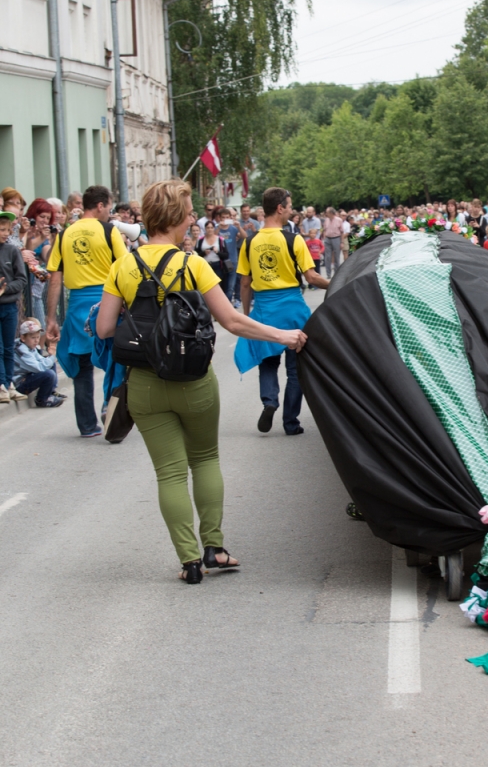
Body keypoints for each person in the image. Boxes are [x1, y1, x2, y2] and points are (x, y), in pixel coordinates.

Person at [95, 179, 307, 584]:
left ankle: (189, 561)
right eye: (189, 214)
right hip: (193, 380)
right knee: (205, 459)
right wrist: (283, 336)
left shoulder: (123, 265)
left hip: (143, 383)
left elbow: (105, 328)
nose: (193, 220)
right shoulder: (192, 264)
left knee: (169, 474)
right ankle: (215, 548)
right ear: (175, 218)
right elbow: (231, 320)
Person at [235, 187, 329, 435]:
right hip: (292, 308)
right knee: (295, 368)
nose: (291, 210)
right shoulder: (293, 239)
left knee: (267, 362)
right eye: (289, 206)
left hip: (264, 308)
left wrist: (246, 315)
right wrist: (336, 284)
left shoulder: (249, 242)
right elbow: (312, 277)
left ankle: (269, 401)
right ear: (279, 208)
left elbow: (245, 282)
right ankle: (291, 422)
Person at [45, 185, 127, 436]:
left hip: (78, 306)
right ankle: (108, 407)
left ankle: (87, 426)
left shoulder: (64, 234)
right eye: (109, 207)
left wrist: (51, 318)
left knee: (82, 367)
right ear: (100, 205)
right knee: (114, 360)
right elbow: (123, 269)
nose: (109, 213)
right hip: (107, 303)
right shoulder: (108, 231)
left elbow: (55, 279)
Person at [0, 211, 28, 403]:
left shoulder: (12, 251)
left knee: (9, 347)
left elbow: (22, 279)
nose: (5, 233)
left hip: (9, 306)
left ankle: (9, 384)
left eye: (7, 229)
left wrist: (5, 288)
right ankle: (1, 385)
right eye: (2, 229)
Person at [13, 317, 64, 407]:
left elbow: (42, 361)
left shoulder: (30, 346)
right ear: (23, 338)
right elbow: (40, 368)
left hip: (27, 376)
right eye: (33, 338)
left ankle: (50, 392)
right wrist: (52, 356)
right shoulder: (21, 350)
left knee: (50, 364)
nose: (36, 340)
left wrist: (51, 356)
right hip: (19, 384)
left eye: (38, 337)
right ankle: (42, 399)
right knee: (49, 373)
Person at [322, 206, 344, 277]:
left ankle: (336, 273)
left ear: (331, 213)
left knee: (336, 256)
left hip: (336, 238)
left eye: (327, 212)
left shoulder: (339, 220)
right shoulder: (326, 220)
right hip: (328, 238)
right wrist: (324, 238)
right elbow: (324, 229)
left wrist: (342, 242)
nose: (326, 214)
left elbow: (342, 232)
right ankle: (328, 274)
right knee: (327, 257)